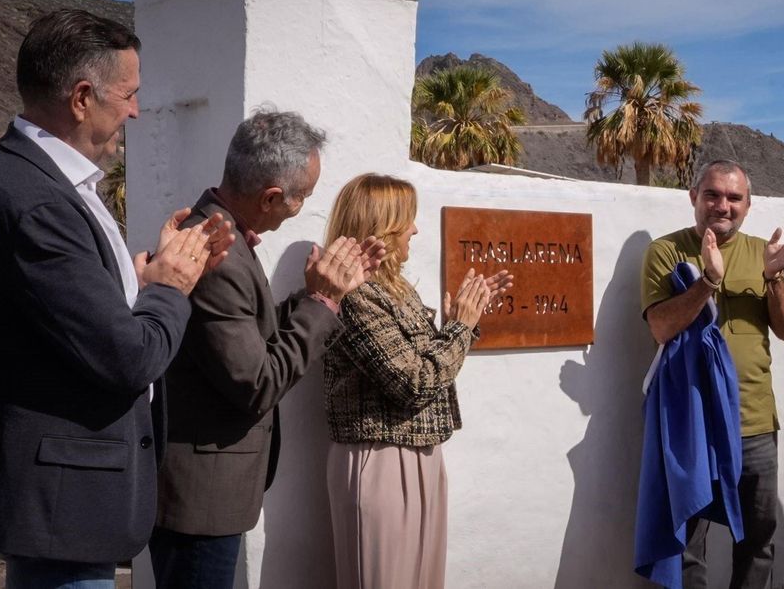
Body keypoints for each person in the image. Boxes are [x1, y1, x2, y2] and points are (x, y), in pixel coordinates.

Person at [0, 9, 233, 588]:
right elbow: (128, 356)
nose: (134, 111)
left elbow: (73, 321)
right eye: (128, 94)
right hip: (63, 504)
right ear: (82, 97)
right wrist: (172, 285)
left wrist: (141, 279)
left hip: (66, 502)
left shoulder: (46, 184)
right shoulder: (39, 201)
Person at [149, 110, 386, 588]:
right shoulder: (216, 255)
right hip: (202, 500)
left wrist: (313, 296)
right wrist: (325, 302)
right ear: (272, 197)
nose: (301, 209)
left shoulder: (223, 238)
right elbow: (256, 382)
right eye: (303, 199)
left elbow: (245, 334)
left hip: (210, 494)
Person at [321, 174, 512, 589]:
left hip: (421, 453)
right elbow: (414, 384)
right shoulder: (355, 297)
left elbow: (425, 364)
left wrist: (458, 326)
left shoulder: (397, 288)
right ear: (383, 225)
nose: (414, 229)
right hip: (380, 456)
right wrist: (460, 327)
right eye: (408, 219)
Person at [639, 159, 784, 589]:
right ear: (694, 197)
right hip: (693, 424)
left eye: (734, 198)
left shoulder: (762, 252)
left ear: (748, 205)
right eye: (712, 194)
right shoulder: (666, 251)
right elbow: (661, 327)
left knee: (758, 540)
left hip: (754, 423)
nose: (722, 205)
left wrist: (774, 277)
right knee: (689, 544)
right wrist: (708, 281)